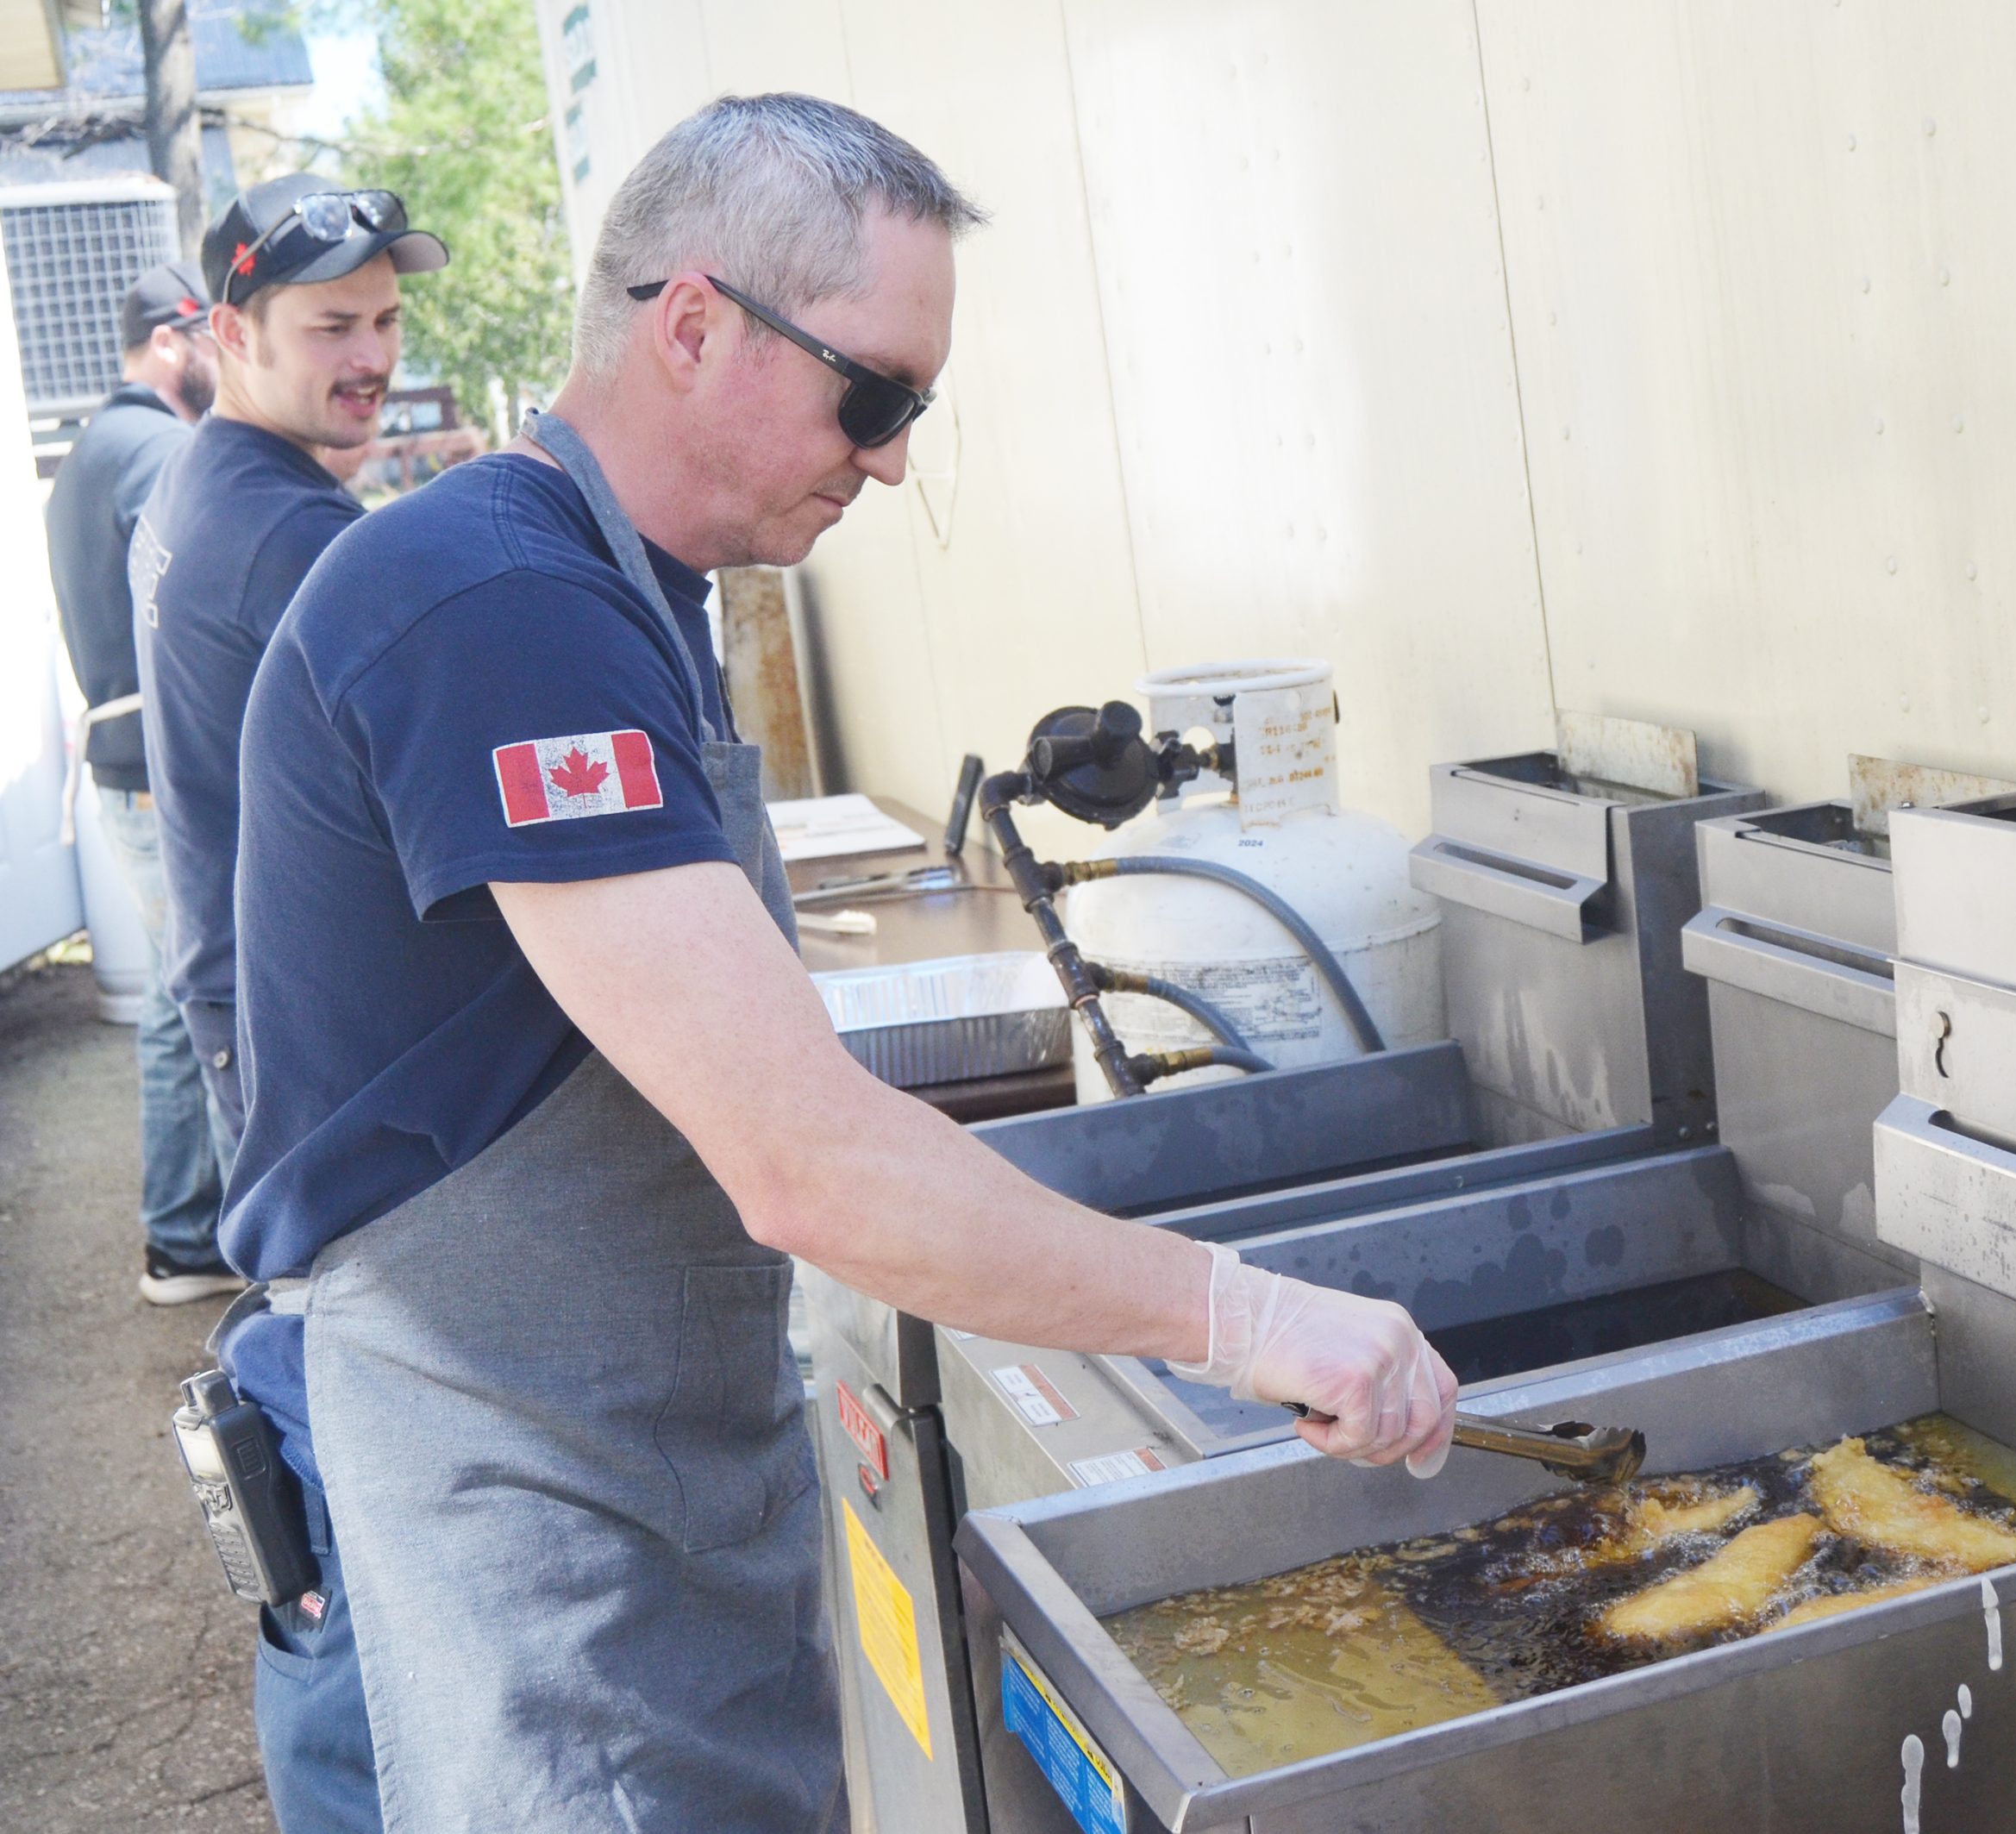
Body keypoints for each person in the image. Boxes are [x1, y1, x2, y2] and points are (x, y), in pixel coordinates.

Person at [219, 94, 1458, 1831]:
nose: (888, 461)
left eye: (912, 412)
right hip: (526, 1526)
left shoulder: (631, 595)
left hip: (653, 1472)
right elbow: (806, 1162)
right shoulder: (496, 609)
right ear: (694, 323)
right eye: (869, 397)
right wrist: (1244, 1317)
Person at [132, 176, 448, 1155]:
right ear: (233, 332)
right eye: (333, 328)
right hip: (301, 1017)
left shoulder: (198, 474)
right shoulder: (292, 537)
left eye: (387, 321)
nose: (373, 359)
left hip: (238, 977)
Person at [46, 260, 240, 1304]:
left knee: (178, 996)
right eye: (211, 337)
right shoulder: (164, 449)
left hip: (123, 764)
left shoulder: (90, 452)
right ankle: (246, 1253)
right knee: (217, 1000)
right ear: (170, 340)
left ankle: (183, 1236)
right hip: (165, 769)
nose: (223, 357)